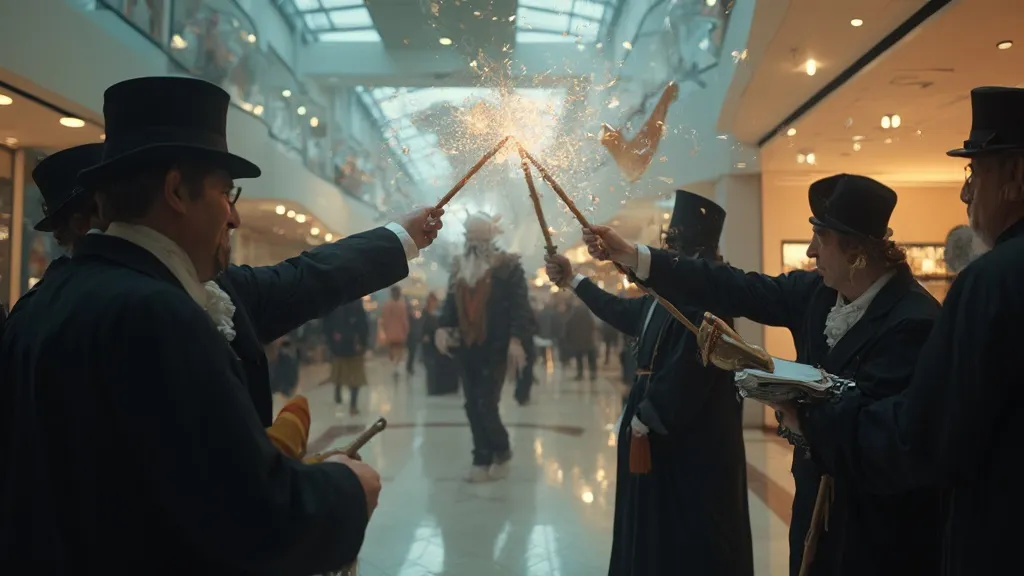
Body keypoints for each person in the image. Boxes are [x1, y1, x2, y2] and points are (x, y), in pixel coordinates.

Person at [0, 76, 440, 572]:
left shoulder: (40, 308)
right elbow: (251, 520)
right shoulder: (159, 315)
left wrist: (401, 235)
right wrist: (346, 488)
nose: (233, 218)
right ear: (175, 192)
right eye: (225, 193)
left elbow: (304, 279)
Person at [583, 176, 943, 576]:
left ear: (856, 250)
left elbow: (889, 438)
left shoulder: (914, 322)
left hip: (876, 524)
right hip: (813, 504)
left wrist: (800, 412)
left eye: (820, 238)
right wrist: (635, 255)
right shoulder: (817, 294)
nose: (810, 250)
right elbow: (732, 285)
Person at [780, 86, 1024, 575]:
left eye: (975, 170)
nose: (965, 191)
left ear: (1015, 174)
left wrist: (811, 419)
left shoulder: (993, 282)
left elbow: (924, 433)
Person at [547, 190, 753, 576]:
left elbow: (697, 366)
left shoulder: (709, 291)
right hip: (658, 426)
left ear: (686, 247)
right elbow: (625, 313)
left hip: (686, 439)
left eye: (670, 244)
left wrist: (650, 413)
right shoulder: (667, 290)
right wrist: (575, 280)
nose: (664, 252)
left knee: (687, 535)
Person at [435, 212, 531, 483]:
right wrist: (443, 327)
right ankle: (483, 455)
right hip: (467, 348)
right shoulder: (459, 268)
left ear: (491, 237)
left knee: (486, 403)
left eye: (480, 237)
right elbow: (450, 305)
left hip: (496, 348)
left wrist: (516, 339)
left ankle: (496, 451)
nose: (475, 243)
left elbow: (519, 307)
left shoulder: (508, 267)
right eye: (471, 238)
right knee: (471, 405)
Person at [323, 299, 370, 414]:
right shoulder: (356, 302)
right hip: (354, 346)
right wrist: (363, 343)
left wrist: (331, 343)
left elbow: (326, 325)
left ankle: (338, 391)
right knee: (355, 376)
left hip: (338, 346)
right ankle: (353, 406)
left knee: (339, 371)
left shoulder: (333, 302)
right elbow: (362, 323)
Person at [380, 285, 410, 376]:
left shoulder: (387, 305)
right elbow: (404, 320)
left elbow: (385, 319)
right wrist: (407, 329)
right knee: (399, 350)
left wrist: (385, 329)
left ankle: (394, 367)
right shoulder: (402, 305)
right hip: (400, 332)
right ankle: (396, 367)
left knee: (392, 350)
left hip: (390, 333)